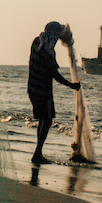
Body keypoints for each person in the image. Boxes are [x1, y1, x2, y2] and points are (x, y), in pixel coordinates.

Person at [27, 21, 80, 165]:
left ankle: (38, 153)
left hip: (32, 89)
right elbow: (54, 74)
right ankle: (37, 154)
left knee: (43, 120)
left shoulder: (37, 42)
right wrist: (72, 85)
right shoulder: (47, 50)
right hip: (42, 90)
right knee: (47, 120)